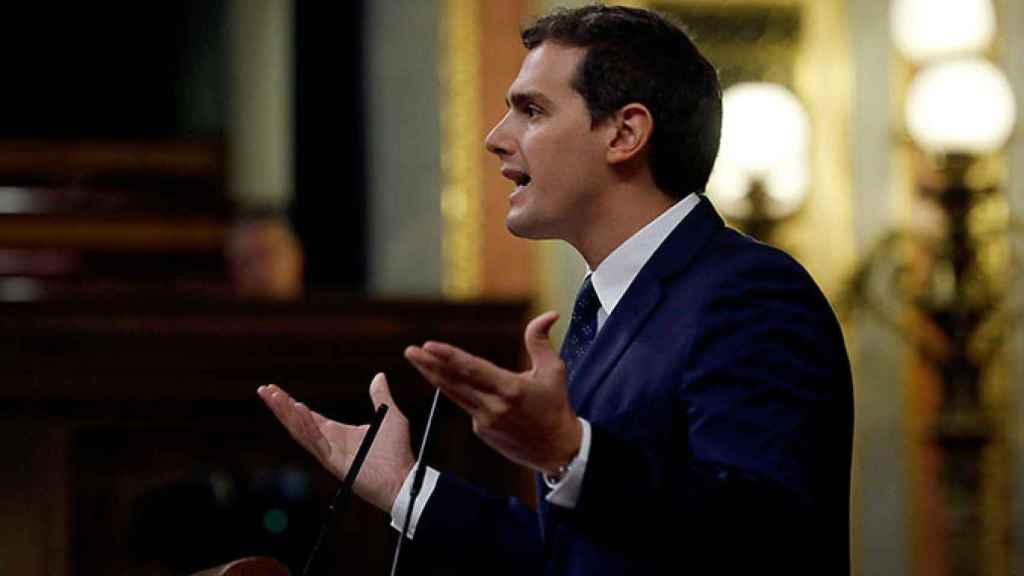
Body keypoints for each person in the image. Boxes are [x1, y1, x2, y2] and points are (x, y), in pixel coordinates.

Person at [258, 5, 853, 574]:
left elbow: (764, 538)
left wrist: (573, 452)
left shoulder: (751, 293)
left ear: (624, 133)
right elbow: (573, 560)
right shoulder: (604, 312)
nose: (496, 136)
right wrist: (406, 488)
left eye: (532, 111)